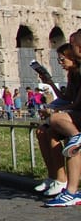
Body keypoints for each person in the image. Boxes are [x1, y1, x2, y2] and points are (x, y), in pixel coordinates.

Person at [33, 44, 80, 197]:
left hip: (76, 114)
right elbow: (66, 98)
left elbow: (76, 104)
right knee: (42, 131)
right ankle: (54, 177)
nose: (60, 63)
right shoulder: (72, 75)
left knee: (53, 126)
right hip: (73, 112)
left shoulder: (79, 73)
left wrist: (55, 111)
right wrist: (50, 83)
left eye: (62, 59)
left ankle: (61, 180)